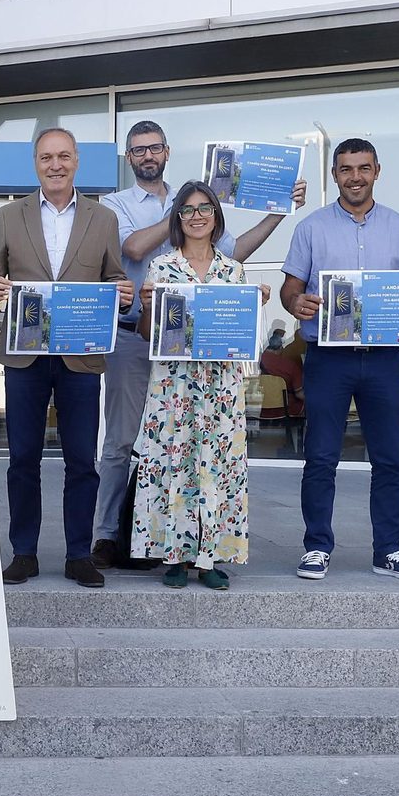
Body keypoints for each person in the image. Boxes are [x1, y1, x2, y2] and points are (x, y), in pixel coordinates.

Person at [93, 120, 305, 568]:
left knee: (193, 447)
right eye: (137, 150)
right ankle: (107, 536)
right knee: (123, 443)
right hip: (136, 336)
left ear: (167, 152)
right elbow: (132, 249)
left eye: (154, 148)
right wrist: (181, 216)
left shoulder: (196, 204)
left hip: (201, 356)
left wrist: (278, 210)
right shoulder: (116, 204)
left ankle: (194, 547)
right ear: (129, 158)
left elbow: (233, 252)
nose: (147, 155)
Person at [0, 127, 134, 589]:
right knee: (22, 458)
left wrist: (122, 295)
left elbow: (114, 278)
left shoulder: (103, 219)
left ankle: (78, 554)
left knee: (81, 461)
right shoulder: (9, 215)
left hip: (80, 359)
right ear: (36, 163)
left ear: (77, 161)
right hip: (24, 358)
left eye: (64, 156)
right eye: (47, 157)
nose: (56, 165)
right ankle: (23, 552)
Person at [279, 137, 399, 582]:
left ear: (377, 171)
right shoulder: (311, 228)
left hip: (386, 359)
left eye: (363, 168)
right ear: (335, 175)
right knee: (321, 457)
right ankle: (316, 547)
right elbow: (291, 288)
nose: (355, 177)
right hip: (328, 358)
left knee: (390, 458)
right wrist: (297, 304)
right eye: (346, 169)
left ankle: (388, 549)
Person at [131, 182, 269, 589]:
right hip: (174, 387)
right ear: (177, 218)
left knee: (218, 469)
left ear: (215, 216)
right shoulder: (162, 269)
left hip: (221, 388)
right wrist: (146, 306)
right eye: (187, 209)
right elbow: (146, 334)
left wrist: (254, 306)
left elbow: (246, 337)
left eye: (204, 208)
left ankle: (211, 558)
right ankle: (174, 556)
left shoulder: (234, 271)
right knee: (176, 465)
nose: (195, 216)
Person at [260, 320, 305, 416]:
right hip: (287, 411)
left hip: (260, 411)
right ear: (280, 347)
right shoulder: (290, 365)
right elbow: (299, 394)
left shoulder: (256, 362)